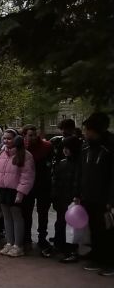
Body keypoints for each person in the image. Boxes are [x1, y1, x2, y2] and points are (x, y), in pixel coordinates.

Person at [75, 113, 114, 276]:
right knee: (93, 230)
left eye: (88, 130)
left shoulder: (110, 147)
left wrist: (111, 199)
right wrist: (78, 193)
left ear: (97, 130)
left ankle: (109, 263)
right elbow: (81, 171)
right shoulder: (85, 146)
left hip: (104, 199)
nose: (85, 133)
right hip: (87, 196)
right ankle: (97, 258)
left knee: (107, 232)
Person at [0, 129, 35, 258]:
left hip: (15, 190)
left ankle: (18, 245)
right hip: (2, 189)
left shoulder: (25, 155)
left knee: (16, 217)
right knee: (6, 217)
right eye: (5, 138)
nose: (6, 141)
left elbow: (27, 176)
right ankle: (9, 242)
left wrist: (21, 192)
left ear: (16, 139)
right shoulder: (1, 154)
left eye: (9, 138)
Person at [21, 124, 53, 254]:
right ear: (25, 136)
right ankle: (27, 238)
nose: (33, 137)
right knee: (26, 213)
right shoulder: (22, 147)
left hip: (43, 184)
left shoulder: (47, 146)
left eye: (35, 134)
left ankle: (42, 238)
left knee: (43, 212)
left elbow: (50, 165)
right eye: (30, 135)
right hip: (28, 184)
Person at [51, 136, 81, 263]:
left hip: (72, 199)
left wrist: (76, 196)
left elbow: (78, 182)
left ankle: (72, 250)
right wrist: (55, 195)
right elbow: (56, 180)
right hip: (61, 198)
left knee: (72, 227)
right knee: (60, 223)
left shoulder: (79, 164)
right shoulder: (62, 163)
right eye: (64, 148)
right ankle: (60, 245)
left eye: (68, 148)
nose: (65, 150)